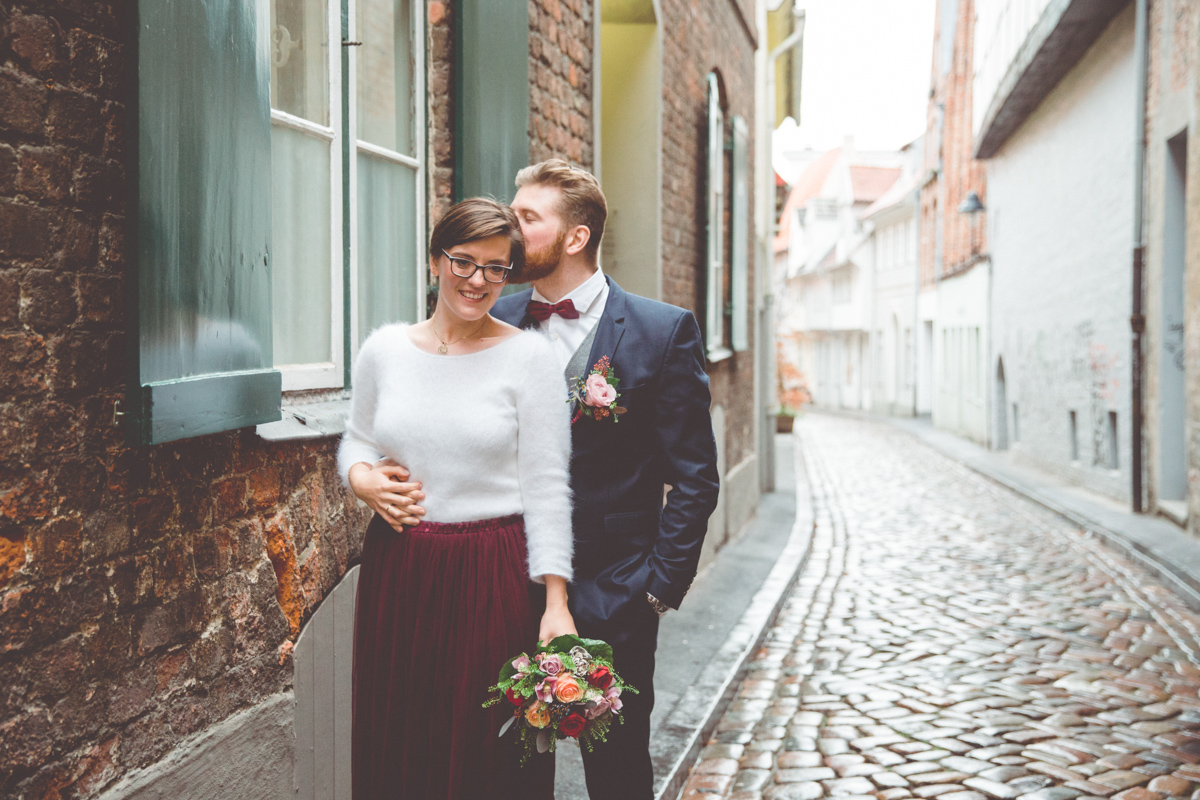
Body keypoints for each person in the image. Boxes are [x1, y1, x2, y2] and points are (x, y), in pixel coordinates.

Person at [495, 160, 720, 799]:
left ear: (576, 237)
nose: (510, 233)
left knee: (617, 774)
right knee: (508, 770)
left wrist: (654, 590)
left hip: (615, 590)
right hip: (505, 579)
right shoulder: (495, 321)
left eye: (526, 219)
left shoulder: (660, 331)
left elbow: (696, 478)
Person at [338, 198, 575, 800]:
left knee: (485, 753)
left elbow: (548, 486)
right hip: (399, 568)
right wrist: (360, 480)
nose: (478, 281)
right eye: (464, 262)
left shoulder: (528, 358)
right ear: (436, 258)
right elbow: (358, 440)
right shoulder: (384, 350)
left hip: (490, 570)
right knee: (401, 738)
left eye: (496, 268)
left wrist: (555, 602)